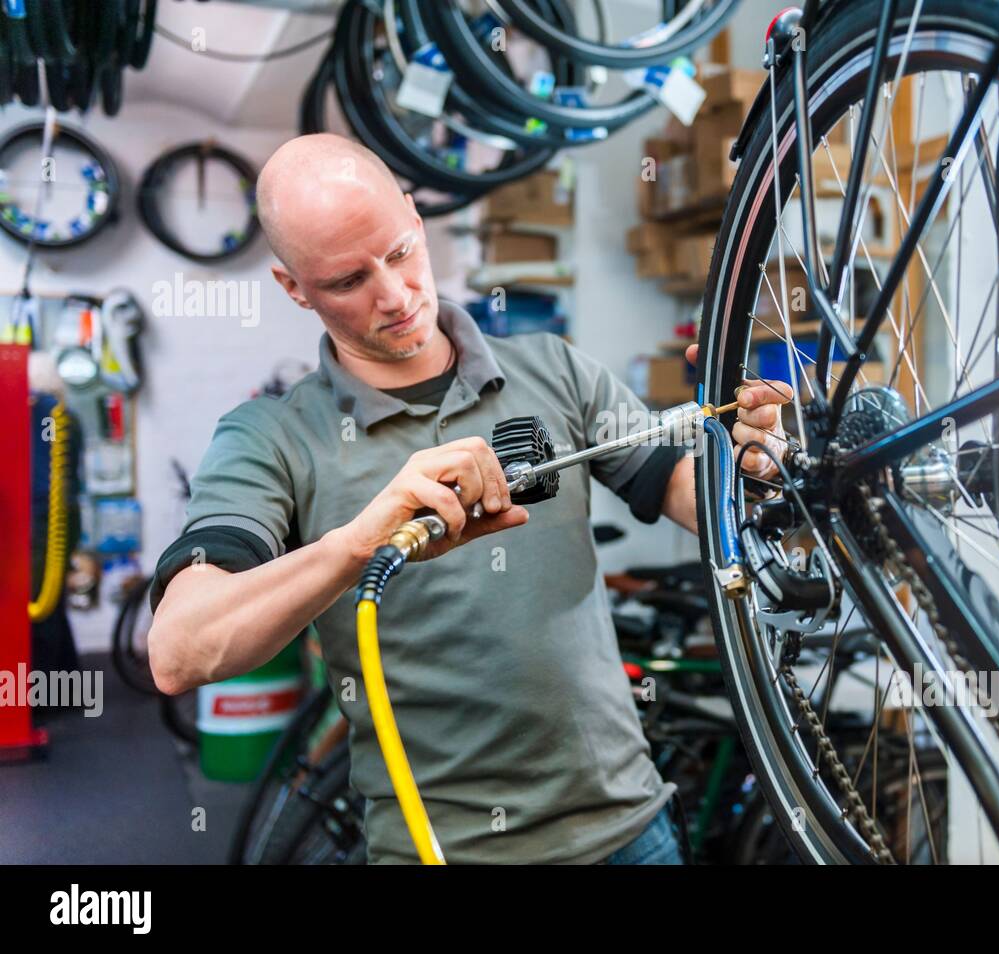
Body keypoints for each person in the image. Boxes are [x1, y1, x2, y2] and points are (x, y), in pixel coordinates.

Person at [147, 134, 790, 864]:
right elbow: (179, 651)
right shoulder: (270, 437)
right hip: (440, 850)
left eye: (396, 253)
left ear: (417, 221)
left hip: (627, 832)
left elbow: (698, 500)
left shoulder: (556, 370)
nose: (393, 296)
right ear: (294, 287)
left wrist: (752, 463)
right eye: (346, 281)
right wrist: (359, 542)